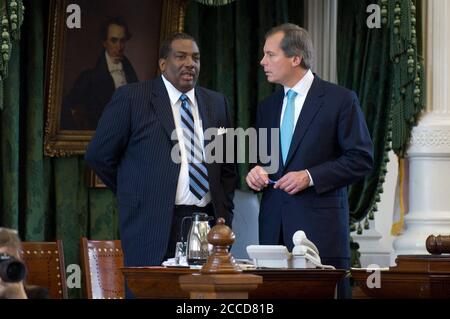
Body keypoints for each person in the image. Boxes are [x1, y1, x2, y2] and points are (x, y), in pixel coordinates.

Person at [85, 32, 236, 275]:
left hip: (208, 226)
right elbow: (98, 155)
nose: (190, 63)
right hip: (152, 223)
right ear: (163, 64)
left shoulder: (217, 103)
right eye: (181, 56)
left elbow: (227, 168)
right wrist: (135, 192)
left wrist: (224, 215)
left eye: (195, 58)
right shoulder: (132, 98)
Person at [245, 24, 373, 298]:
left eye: (270, 55)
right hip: (272, 233)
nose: (262, 62)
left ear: (295, 58)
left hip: (319, 233)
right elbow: (262, 160)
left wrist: (310, 176)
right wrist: (255, 172)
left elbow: (361, 158)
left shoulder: (340, 100)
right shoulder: (267, 107)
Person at [61, 16, 138, 130]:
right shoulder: (89, 77)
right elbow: (65, 107)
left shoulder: (131, 74)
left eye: (122, 41)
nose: (119, 46)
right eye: (114, 40)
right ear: (104, 43)